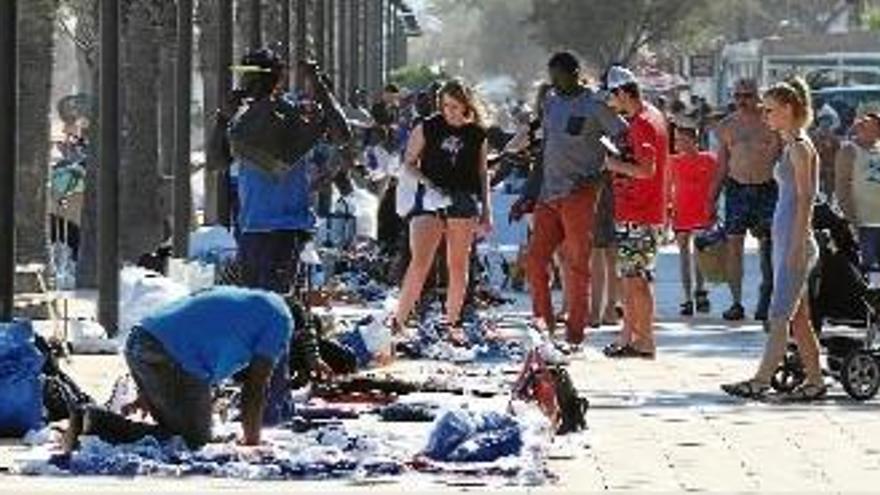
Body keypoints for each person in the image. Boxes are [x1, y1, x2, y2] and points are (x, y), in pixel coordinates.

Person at [63, 287, 327, 451]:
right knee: (192, 442)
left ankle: (92, 421)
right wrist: (252, 440)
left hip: (140, 341)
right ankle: (95, 421)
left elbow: (184, 327)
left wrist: (151, 391)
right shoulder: (282, 320)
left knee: (176, 432)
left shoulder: (252, 301)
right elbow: (256, 388)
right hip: (170, 355)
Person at [510, 52, 628, 345]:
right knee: (536, 261)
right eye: (551, 77)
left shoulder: (595, 105)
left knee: (577, 264)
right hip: (548, 194)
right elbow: (545, 150)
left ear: (575, 73)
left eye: (559, 76)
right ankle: (543, 323)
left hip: (580, 194)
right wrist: (527, 194)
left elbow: (624, 139)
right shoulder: (550, 102)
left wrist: (601, 175)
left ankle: (576, 331)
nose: (554, 83)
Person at [722, 77, 825, 400]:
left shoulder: (799, 147)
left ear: (788, 109)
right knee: (799, 317)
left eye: (770, 110)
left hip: (795, 243)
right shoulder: (791, 144)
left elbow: (807, 197)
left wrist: (796, 244)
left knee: (778, 314)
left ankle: (762, 379)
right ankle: (815, 380)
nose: (764, 116)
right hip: (785, 240)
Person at [228, 49, 351, 294]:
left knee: (273, 302)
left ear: (273, 79)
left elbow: (341, 135)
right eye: (244, 76)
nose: (245, 84)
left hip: (284, 227)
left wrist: (317, 85)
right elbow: (220, 159)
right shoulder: (244, 117)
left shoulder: (291, 112)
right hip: (251, 225)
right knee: (250, 302)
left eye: (252, 77)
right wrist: (224, 117)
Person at [392, 79, 492, 341]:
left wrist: (487, 211)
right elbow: (409, 163)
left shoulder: (477, 134)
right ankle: (398, 322)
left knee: (458, 266)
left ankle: (451, 324)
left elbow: (482, 174)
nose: (450, 112)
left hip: (463, 199)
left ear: (466, 105)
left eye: (456, 106)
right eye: (446, 106)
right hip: (430, 198)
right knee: (420, 263)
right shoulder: (428, 127)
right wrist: (428, 184)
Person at [601, 66, 669, 359]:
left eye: (611, 95)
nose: (609, 101)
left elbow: (646, 170)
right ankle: (630, 336)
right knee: (632, 278)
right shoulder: (651, 116)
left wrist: (614, 165)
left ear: (623, 93)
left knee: (637, 280)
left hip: (640, 212)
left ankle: (645, 340)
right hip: (639, 210)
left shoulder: (642, 123)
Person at [709, 78, 782, 321]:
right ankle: (736, 302)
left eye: (748, 95)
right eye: (738, 95)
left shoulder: (772, 123)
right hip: (737, 189)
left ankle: (767, 298)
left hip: (766, 188)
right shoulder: (726, 126)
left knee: (768, 247)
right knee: (734, 247)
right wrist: (711, 199)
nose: (742, 100)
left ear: (758, 96)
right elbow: (721, 166)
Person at [670, 123, 716, 315]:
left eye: (682, 139)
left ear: (694, 141)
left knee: (699, 255)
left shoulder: (709, 160)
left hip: (702, 213)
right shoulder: (673, 161)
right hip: (681, 213)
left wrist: (715, 208)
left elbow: (717, 184)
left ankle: (700, 291)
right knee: (683, 256)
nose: (678, 143)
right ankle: (687, 297)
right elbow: (667, 187)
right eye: (677, 139)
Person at [835, 112, 880, 278]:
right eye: (862, 123)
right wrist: (851, 219)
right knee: (870, 273)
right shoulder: (849, 151)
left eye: (871, 123)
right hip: (863, 223)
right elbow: (842, 188)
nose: (863, 125)